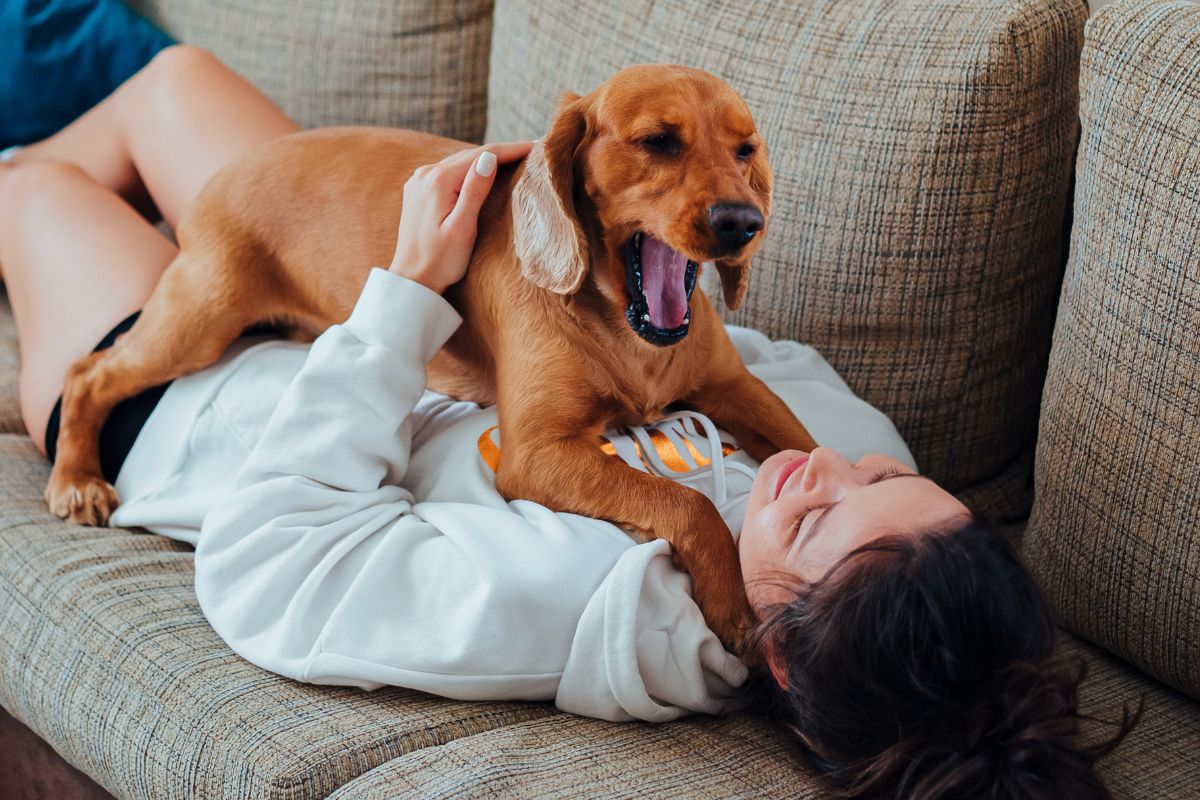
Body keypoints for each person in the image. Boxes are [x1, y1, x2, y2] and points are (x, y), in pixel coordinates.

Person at [0, 45, 1137, 798]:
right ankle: (154, 246)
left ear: (773, 645)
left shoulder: (582, 607)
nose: (826, 462)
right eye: (885, 469)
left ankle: (59, 376)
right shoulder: (845, 480)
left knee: (34, 187)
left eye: (822, 511)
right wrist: (551, 249)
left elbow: (269, 560)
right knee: (176, 79)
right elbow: (758, 378)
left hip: (198, 412)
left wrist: (402, 293)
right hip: (381, 281)